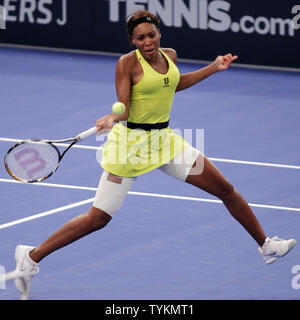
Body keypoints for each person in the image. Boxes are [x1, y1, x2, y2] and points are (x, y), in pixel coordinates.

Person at [14, 10, 296, 298]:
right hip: (131, 148)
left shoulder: (170, 55)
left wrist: (213, 67)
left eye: (151, 35)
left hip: (165, 142)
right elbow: (122, 105)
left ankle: (266, 245)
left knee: (225, 189)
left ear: (159, 34)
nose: (147, 41)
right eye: (140, 38)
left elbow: (174, 84)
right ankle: (31, 257)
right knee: (98, 218)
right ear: (132, 40)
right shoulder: (126, 63)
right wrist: (112, 118)